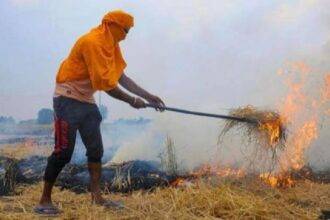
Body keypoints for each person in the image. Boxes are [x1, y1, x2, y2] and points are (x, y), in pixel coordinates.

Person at [34, 10, 165, 215]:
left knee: (96, 150)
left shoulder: (111, 45)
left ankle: (97, 197)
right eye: (125, 30)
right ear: (112, 25)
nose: (126, 35)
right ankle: (44, 200)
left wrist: (149, 96)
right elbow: (106, 84)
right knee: (63, 152)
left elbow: (120, 77)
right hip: (67, 98)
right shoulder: (93, 42)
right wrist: (132, 100)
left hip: (86, 100)